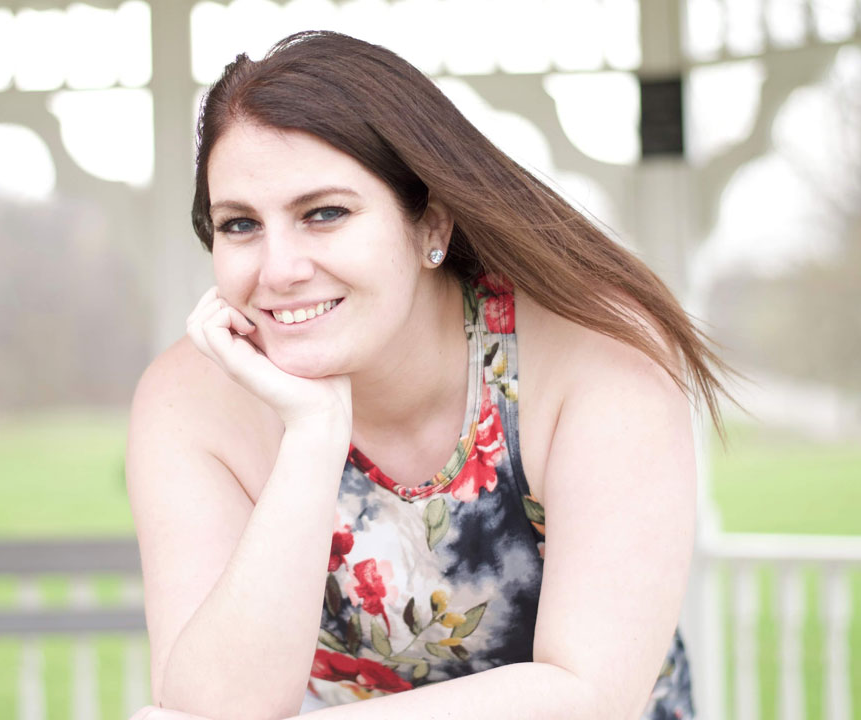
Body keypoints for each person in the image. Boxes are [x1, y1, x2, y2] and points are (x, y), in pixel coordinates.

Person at [126, 30, 730, 720]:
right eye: (239, 225)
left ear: (431, 227)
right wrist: (314, 432)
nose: (278, 269)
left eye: (324, 213)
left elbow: (590, 692)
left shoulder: (592, 353)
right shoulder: (191, 401)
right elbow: (215, 705)